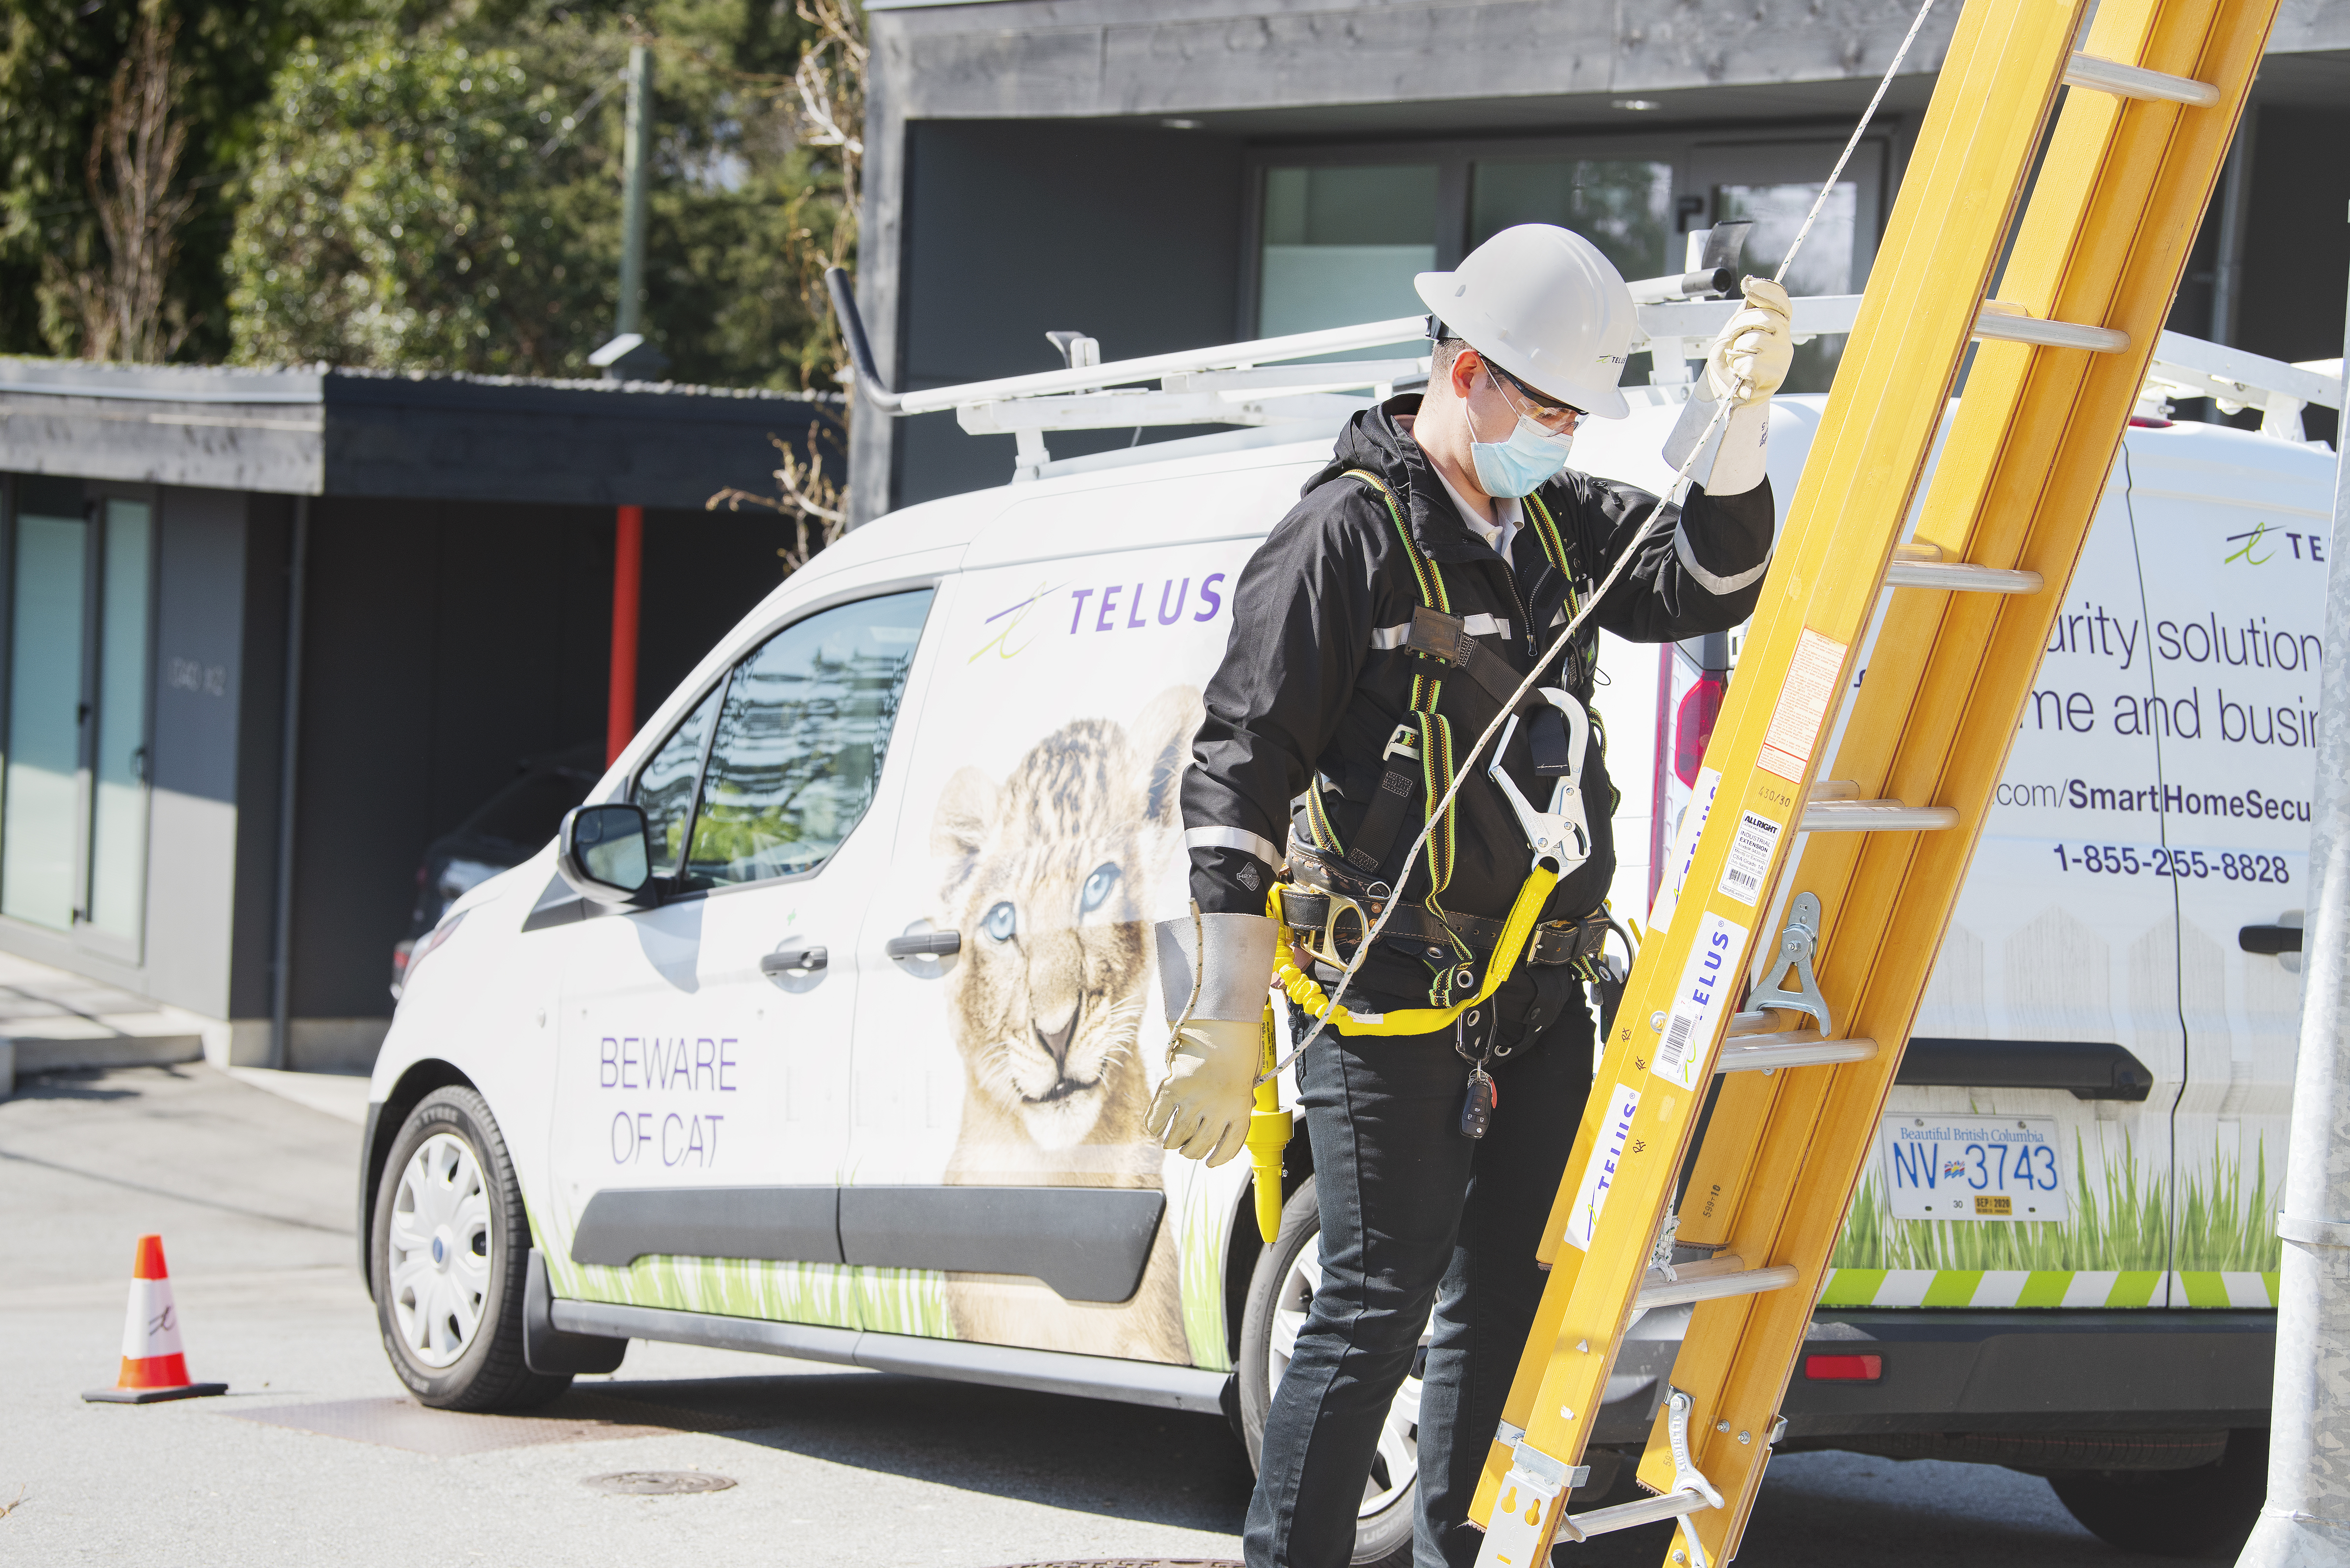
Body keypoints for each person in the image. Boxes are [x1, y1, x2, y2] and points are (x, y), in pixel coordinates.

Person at [1145, 223, 1795, 1568]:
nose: (1561, 434)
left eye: (1573, 412)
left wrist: (1738, 431)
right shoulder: (1345, 537)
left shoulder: (1553, 524)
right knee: (1373, 1306)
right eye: (1548, 405)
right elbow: (1236, 768)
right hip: (1387, 997)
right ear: (1464, 369)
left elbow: (1703, 579)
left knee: (1505, 1301)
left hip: (1537, 995)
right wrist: (1221, 1009)